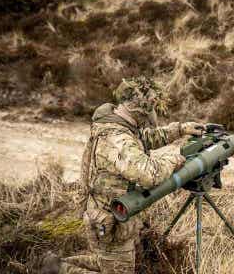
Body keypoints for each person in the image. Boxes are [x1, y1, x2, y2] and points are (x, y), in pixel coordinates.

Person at [43, 76, 204, 274]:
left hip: (112, 215)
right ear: (140, 108)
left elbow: (144, 139)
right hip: (110, 221)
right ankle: (57, 269)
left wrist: (180, 130)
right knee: (117, 268)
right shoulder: (117, 138)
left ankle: (55, 265)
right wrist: (176, 157)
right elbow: (149, 174)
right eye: (150, 109)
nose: (151, 115)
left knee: (110, 263)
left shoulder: (119, 124)